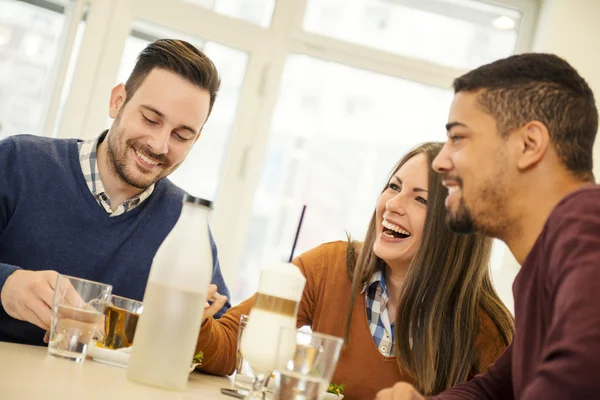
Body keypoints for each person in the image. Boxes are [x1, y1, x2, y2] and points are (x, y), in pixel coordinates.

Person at [195, 142, 514, 399]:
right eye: (393, 186)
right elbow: (226, 349)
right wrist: (198, 323)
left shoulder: (487, 330)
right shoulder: (327, 267)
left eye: (420, 199)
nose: (392, 205)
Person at [376, 53, 600, 400]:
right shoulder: (542, 269)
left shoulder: (587, 221)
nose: (440, 162)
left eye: (459, 138)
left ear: (528, 145)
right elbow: (497, 388)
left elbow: (577, 379)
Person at [0, 39, 230, 346]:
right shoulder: (19, 162)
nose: (160, 145)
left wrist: (198, 329)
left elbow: (222, 335)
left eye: (181, 135)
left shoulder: (184, 220)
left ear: (196, 139)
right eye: (150, 119)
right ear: (117, 101)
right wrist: (6, 285)